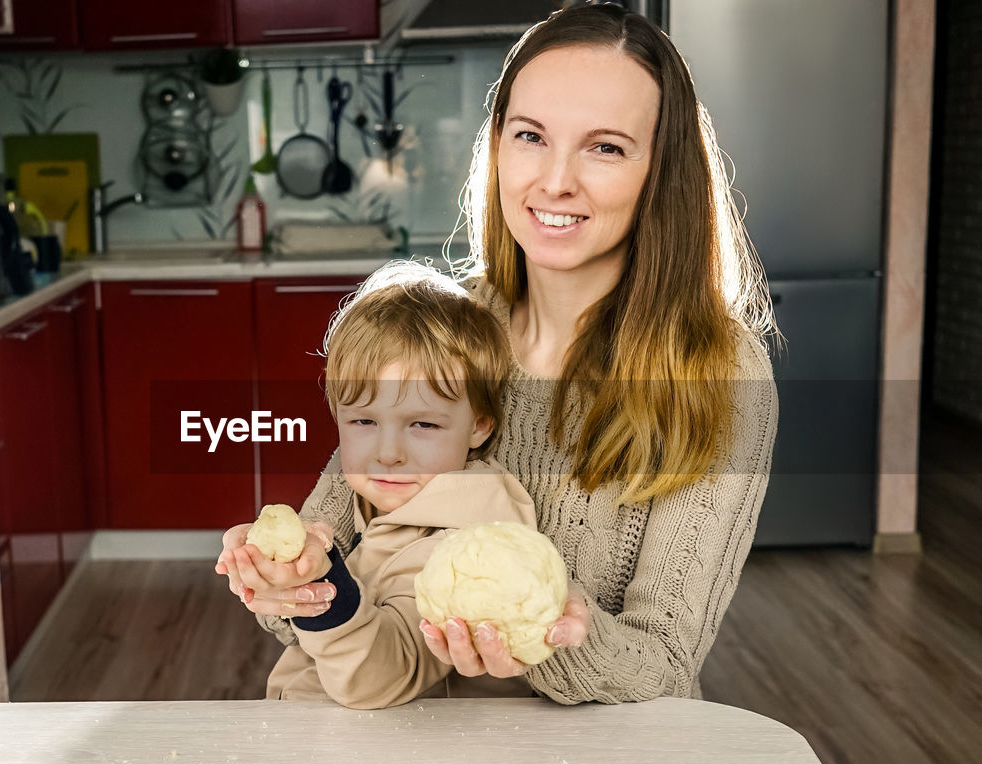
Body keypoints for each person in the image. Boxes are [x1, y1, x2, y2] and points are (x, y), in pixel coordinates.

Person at [218, 3, 778, 704]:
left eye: (605, 147)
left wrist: (555, 636)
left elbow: (663, 659)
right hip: (412, 756)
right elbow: (317, 598)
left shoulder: (720, 371)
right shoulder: (444, 331)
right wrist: (289, 574)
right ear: (498, 145)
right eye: (531, 136)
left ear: (661, 172)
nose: (554, 181)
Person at [225, 264, 543, 709]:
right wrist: (270, 571)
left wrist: (323, 584)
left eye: (423, 424)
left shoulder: (466, 544)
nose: (388, 452)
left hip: (413, 760)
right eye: (364, 421)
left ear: (479, 427)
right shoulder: (371, 503)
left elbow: (382, 675)